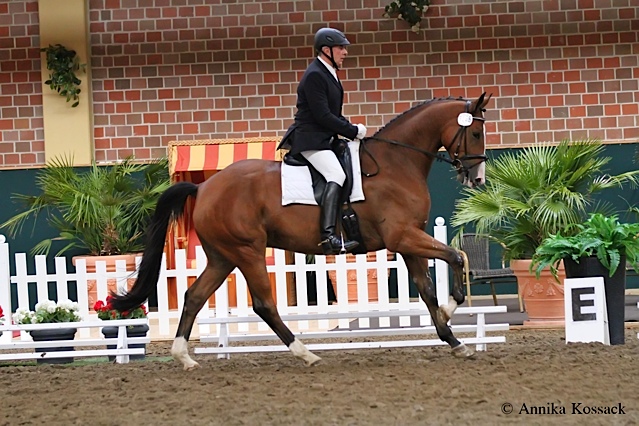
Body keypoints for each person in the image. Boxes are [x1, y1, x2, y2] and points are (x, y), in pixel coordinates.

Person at [278, 27, 367, 255]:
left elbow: (332, 113)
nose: (345, 52)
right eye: (341, 48)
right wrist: (351, 130)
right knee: (336, 174)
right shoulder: (315, 74)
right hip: (311, 140)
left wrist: (350, 128)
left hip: (324, 138)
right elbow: (323, 116)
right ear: (326, 50)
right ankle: (328, 237)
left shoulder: (329, 72)